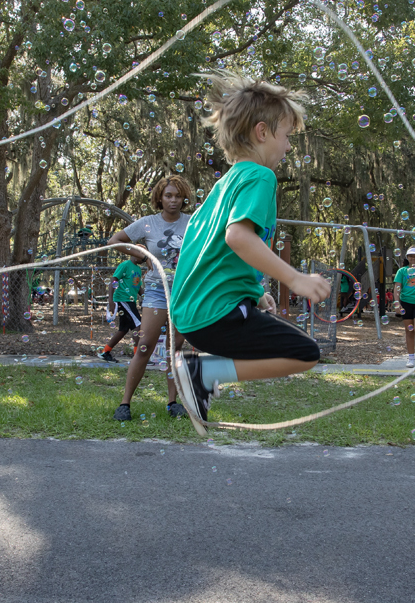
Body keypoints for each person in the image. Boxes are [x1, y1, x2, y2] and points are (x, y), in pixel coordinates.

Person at [170, 73, 330, 420]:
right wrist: (295, 279)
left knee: (300, 349)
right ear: (262, 132)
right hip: (215, 315)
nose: (288, 147)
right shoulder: (260, 176)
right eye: (286, 136)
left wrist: (254, 291)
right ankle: (204, 373)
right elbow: (239, 238)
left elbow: (211, 253)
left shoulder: (223, 185)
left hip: (192, 316)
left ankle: (204, 373)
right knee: (305, 353)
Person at [106, 175, 192, 420]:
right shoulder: (147, 223)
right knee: (144, 347)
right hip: (156, 292)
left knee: (174, 349)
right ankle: (125, 404)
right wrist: (143, 256)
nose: (173, 200)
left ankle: (173, 402)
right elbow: (115, 241)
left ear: (184, 197)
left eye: (177, 195)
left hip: (183, 292)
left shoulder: (193, 222)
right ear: (160, 198)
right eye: (168, 195)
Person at [102, 249, 143, 363]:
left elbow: (138, 287)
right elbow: (113, 281)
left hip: (131, 301)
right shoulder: (125, 265)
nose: (144, 258)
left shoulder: (138, 269)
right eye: (142, 255)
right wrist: (111, 300)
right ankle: (137, 357)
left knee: (123, 329)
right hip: (123, 299)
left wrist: (146, 297)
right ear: (135, 254)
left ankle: (105, 351)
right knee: (138, 325)